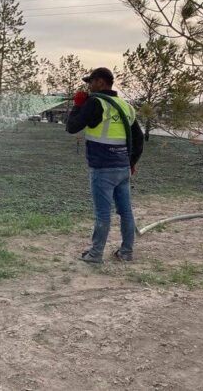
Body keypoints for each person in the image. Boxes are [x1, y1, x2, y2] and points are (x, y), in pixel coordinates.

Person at [66, 67, 144, 263]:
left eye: (90, 82)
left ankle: (95, 254)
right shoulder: (125, 106)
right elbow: (139, 138)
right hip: (122, 169)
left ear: (100, 82)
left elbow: (72, 127)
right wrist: (131, 162)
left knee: (103, 214)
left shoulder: (95, 102)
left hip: (102, 169)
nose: (89, 86)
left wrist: (78, 105)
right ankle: (126, 252)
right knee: (126, 212)